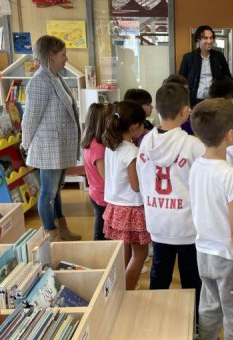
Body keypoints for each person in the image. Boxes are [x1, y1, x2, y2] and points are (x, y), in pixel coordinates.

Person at [189, 98, 233, 340]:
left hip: (204, 252)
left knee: (209, 307)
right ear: (229, 134)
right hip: (230, 258)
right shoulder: (232, 176)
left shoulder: (196, 166)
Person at [136, 83, 203, 311]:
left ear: (156, 109)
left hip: (158, 222)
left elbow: (142, 180)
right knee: (192, 280)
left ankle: (156, 321)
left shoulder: (145, 142)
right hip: (187, 227)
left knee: (159, 275)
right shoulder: (193, 145)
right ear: (186, 111)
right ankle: (194, 325)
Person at [21, 35, 81, 242]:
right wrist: (25, 144)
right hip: (48, 148)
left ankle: (61, 229)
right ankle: (51, 234)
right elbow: (30, 118)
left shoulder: (55, 77)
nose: (66, 59)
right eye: (63, 55)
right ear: (50, 55)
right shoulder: (39, 81)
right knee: (48, 193)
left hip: (57, 147)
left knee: (55, 192)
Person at [101, 101, 149, 290]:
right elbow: (136, 186)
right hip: (132, 208)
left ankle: (119, 287)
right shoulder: (132, 152)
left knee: (124, 253)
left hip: (115, 207)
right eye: (142, 125)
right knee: (140, 255)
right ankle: (125, 292)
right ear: (134, 127)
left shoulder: (111, 147)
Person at [178, 25, 231, 133]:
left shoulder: (219, 57)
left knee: (214, 130)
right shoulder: (189, 58)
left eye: (211, 38)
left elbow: (227, 78)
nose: (209, 41)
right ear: (198, 39)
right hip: (195, 102)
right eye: (205, 38)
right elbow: (180, 81)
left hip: (214, 101)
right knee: (197, 130)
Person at [81, 103, 111, 241]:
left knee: (101, 228)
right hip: (102, 195)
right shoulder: (98, 148)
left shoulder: (89, 142)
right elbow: (106, 177)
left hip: (95, 192)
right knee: (102, 233)